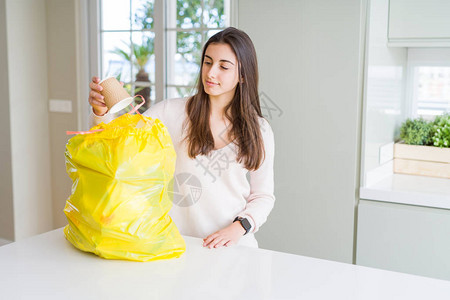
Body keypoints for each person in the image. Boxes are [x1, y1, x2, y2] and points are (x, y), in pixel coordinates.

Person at [88, 27, 275, 249]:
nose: (211, 73)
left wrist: (238, 227)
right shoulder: (170, 112)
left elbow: (263, 196)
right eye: (207, 62)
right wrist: (101, 113)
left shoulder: (259, 130)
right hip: (178, 246)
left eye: (223, 66)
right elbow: (116, 144)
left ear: (243, 75)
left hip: (234, 248)